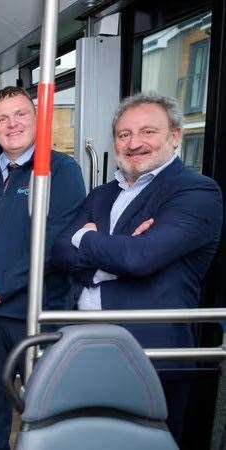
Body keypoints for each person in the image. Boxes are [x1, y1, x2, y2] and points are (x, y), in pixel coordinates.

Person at [53, 92, 223, 446]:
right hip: (86, 344)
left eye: (148, 132)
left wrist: (87, 240)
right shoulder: (102, 194)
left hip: (150, 351)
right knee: (92, 438)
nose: (134, 143)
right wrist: (116, 252)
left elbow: (140, 257)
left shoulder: (196, 192)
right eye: (124, 134)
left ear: (175, 136)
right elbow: (60, 251)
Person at [0, 86, 85, 450]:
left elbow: (55, 241)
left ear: (36, 118)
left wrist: (0, 284)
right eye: (1, 118)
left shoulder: (62, 171)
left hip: (35, 309)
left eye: (20, 114)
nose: (12, 124)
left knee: (43, 400)